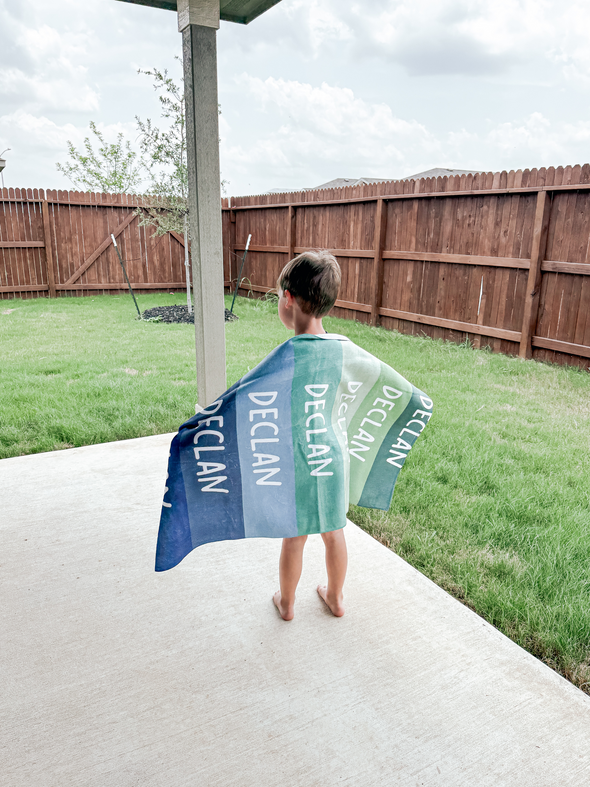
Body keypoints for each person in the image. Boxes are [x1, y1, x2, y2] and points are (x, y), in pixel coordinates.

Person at [272, 250, 348, 621]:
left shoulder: (286, 354)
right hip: (332, 455)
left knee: (295, 536)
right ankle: (335, 598)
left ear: (288, 299)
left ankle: (287, 604)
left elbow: (253, 396)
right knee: (334, 532)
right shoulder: (343, 350)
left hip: (297, 456)